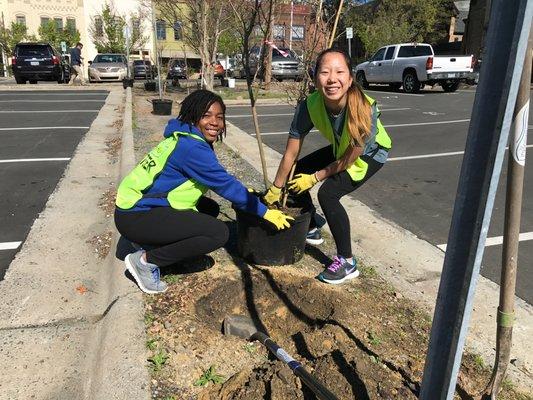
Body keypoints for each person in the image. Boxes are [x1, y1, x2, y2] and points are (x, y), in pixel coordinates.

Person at [114, 90, 293, 294]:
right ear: (193, 116)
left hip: (135, 208)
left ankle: (149, 242)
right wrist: (264, 212)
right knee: (217, 233)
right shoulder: (192, 148)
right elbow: (224, 185)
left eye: (220, 117)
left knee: (209, 208)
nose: (215, 122)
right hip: (136, 216)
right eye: (206, 115)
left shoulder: (185, 136)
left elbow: (212, 179)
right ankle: (145, 261)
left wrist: (245, 193)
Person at [263, 48, 392, 285]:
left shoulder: (362, 108)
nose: (332, 79)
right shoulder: (309, 106)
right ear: (315, 78)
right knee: (297, 172)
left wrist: (314, 178)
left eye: (339, 72)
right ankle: (312, 225)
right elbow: (292, 152)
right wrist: (276, 187)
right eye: (325, 72)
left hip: (369, 154)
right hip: (342, 149)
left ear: (350, 78)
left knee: (328, 194)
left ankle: (347, 261)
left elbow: (351, 158)